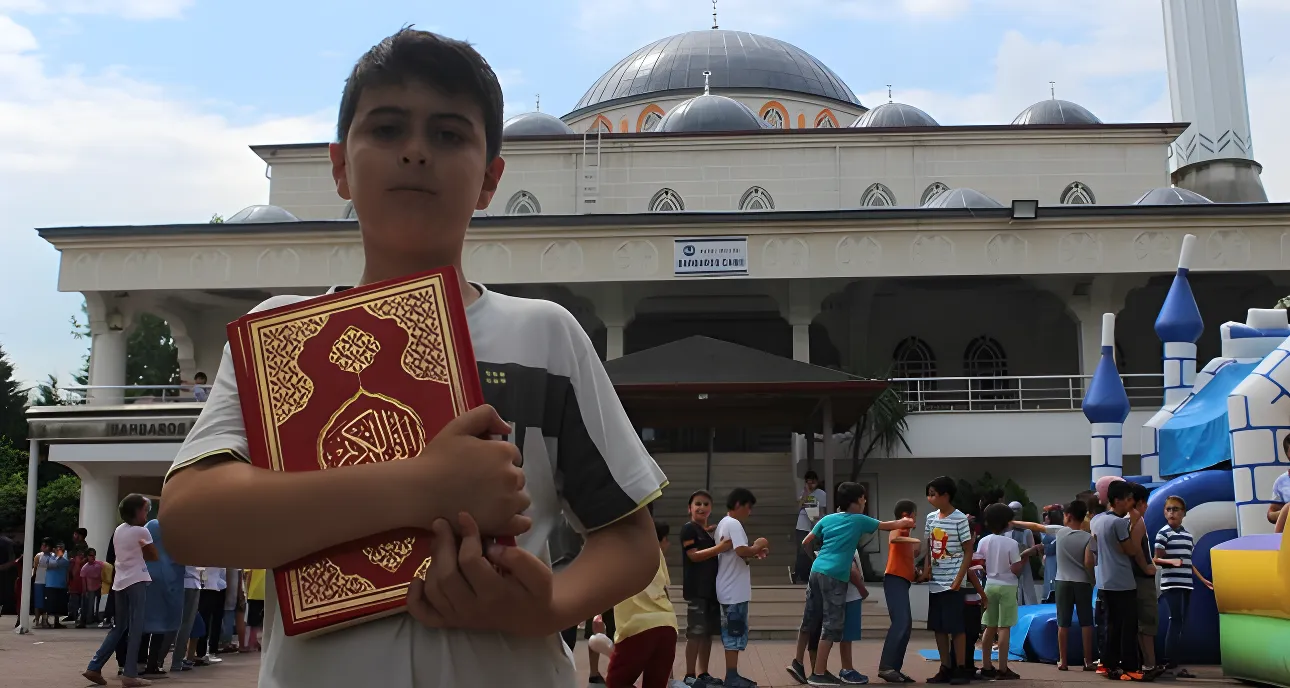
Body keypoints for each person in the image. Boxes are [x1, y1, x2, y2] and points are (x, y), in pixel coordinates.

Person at [159, 28, 668, 688]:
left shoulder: (544, 337)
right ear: (340, 166)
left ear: (491, 180)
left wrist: (548, 605)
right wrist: (422, 488)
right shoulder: (277, 338)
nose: (417, 153)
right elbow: (192, 519)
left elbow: (630, 538)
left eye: (450, 134)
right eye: (389, 129)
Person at [788, 482, 912, 685]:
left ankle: (802, 664)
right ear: (856, 501)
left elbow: (806, 542)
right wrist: (906, 520)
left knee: (811, 618)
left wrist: (818, 560)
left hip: (816, 570)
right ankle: (819, 673)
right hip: (835, 574)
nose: (864, 502)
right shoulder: (858, 520)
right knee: (832, 624)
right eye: (863, 498)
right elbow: (889, 526)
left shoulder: (828, 519)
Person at [83, 494, 158, 687]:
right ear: (137, 512)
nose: (146, 514)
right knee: (136, 627)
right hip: (137, 580)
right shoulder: (142, 531)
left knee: (119, 627)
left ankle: (95, 665)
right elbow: (153, 556)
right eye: (145, 510)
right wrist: (146, 547)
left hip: (120, 582)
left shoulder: (119, 530)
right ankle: (130, 673)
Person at [1014, 499, 1095, 672]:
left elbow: (1035, 526)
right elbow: (1089, 562)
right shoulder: (1088, 537)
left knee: (1062, 622)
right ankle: (1088, 661)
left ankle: (1062, 660)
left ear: (1068, 516)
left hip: (1063, 582)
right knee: (1086, 622)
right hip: (1082, 582)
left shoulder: (1060, 532)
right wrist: (1092, 579)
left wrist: (1012, 522)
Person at [598, 519, 678, 688]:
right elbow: (663, 589)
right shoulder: (655, 551)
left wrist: (597, 613)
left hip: (637, 627)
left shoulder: (615, 549)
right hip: (667, 624)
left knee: (616, 683)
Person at [1088, 480, 1153, 681]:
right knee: (1128, 627)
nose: (1130, 504)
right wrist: (1133, 522)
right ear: (1117, 501)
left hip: (1104, 580)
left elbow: (1094, 547)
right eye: (1128, 500)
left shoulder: (1097, 520)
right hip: (1122, 581)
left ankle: (1107, 664)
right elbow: (1131, 549)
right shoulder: (1119, 523)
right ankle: (1131, 668)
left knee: (1111, 625)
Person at [921, 476, 974, 685]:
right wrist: (926, 570)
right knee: (939, 627)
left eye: (933, 494)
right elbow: (928, 545)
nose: (930, 498)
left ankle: (960, 668)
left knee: (956, 627)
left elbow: (968, 550)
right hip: (936, 581)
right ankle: (945, 667)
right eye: (928, 494)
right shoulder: (931, 517)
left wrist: (959, 579)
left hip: (953, 580)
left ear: (946, 495)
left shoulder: (960, 518)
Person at [715, 488, 769, 688]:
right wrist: (758, 545)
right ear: (738, 505)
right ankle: (732, 676)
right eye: (748, 507)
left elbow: (737, 554)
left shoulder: (723, 523)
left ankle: (733, 674)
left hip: (729, 587)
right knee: (733, 632)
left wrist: (754, 553)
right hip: (733, 590)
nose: (750, 512)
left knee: (733, 631)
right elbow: (740, 550)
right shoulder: (733, 523)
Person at [1154, 496, 1209, 679]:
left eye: (1176, 509)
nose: (1172, 512)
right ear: (1164, 512)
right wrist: (1172, 562)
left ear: (1183, 513)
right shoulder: (1163, 534)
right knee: (1175, 620)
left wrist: (1202, 580)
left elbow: (1188, 562)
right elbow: (1156, 559)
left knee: (1180, 623)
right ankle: (1170, 663)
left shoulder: (1187, 535)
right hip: (1172, 584)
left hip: (1186, 583)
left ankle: (1175, 663)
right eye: (1168, 509)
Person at [679, 490, 728, 688]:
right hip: (696, 591)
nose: (702, 507)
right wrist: (720, 547)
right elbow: (693, 555)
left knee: (707, 634)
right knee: (695, 633)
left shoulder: (704, 532)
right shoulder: (688, 530)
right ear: (689, 508)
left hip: (711, 592)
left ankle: (703, 674)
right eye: (697, 503)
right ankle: (689, 675)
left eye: (706, 504)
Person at [976, 503, 1026, 680]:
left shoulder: (983, 541)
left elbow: (979, 563)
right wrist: (1026, 556)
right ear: (1007, 522)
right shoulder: (1011, 543)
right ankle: (1003, 668)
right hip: (1008, 585)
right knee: (1004, 627)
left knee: (989, 626)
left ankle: (986, 666)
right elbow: (1015, 569)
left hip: (989, 584)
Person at [878, 499, 920, 684]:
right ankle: (886, 666)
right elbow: (894, 534)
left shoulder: (907, 535)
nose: (915, 520)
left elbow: (911, 553)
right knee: (901, 622)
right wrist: (907, 523)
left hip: (901, 580)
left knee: (906, 624)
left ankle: (894, 668)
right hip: (894, 579)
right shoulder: (899, 528)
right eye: (914, 515)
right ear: (907, 515)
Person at [1127, 483, 1163, 680]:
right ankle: (1149, 664)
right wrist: (1147, 567)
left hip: (1129, 578)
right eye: (1145, 503)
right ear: (1140, 502)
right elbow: (1135, 548)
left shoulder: (1117, 519)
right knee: (1147, 622)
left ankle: (1145, 662)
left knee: (1139, 623)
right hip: (1141, 578)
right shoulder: (1136, 519)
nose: (1147, 507)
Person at [141, 519, 184, 677]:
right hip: (168, 577)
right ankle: (152, 663)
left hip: (147, 574)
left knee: (143, 622)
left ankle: (136, 663)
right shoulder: (176, 527)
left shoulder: (151, 525)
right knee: (163, 624)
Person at [794, 471, 827, 584]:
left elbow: (820, 511)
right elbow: (799, 506)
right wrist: (806, 495)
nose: (810, 485)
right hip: (802, 525)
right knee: (802, 550)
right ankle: (800, 575)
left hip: (815, 525)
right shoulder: (803, 493)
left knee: (814, 550)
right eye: (808, 483)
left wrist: (808, 501)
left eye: (812, 483)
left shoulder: (821, 494)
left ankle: (812, 573)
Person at [1005, 502, 1040, 607]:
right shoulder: (1004, 532)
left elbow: (1034, 550)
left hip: (1024, 565)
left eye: (1018, 510)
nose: (1016, 513)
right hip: (1009, 567)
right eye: (1013, 510)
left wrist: (1026, 551)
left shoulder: (1027, 532)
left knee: (1026, 592)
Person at [170, 566, 202, 672]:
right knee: (185, 624)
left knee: (173, 623)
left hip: (175, 581)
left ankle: (158, 660)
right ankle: (177, 661)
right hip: (190, 582)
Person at [194, 566, 226, 665]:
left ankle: (208, 652)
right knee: (205, 620)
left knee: (215, 619)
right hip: (206, 584)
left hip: (217, 584)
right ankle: (201, 653)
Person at [41, 541, 70, 629]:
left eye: (62, 549)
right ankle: (45, 621)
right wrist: (55, 556)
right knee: (49, 604)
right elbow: (46, 564)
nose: (60, 550)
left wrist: (59, 556)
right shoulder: (49, 557)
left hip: (61, 585)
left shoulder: (64, 560)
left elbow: (60, 564)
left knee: (58, 605)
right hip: (50, 584)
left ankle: (56, 622)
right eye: (58, 548)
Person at [78, 549, 104, 628]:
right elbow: (83, 581)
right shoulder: (85, 568)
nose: (93, 557)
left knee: (97, 604)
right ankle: (88, 619)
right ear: (87, 557)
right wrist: (85, 591)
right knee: (89, 605)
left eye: (94, 555)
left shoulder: (99, 565)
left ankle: (96, 617)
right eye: (91, 555)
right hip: (90, 589)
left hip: (98, 587)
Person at [242, 569, 265, 652]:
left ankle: (253, 642)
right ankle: (260, 642)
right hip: (266, 591)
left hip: (254, 592)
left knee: (253, 621)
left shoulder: (252, 558)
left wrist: (246, 592)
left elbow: (248, 575)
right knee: (265, 620)